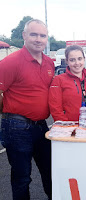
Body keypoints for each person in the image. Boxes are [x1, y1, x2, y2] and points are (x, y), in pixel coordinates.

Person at [0, 19, 53, 200]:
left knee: (50, 171)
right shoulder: (10, 62)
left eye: (42, 35)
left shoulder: (49, 63)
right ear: (24, 36)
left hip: (41, 127)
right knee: (22, 178)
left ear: (47, 39)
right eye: (34, 34)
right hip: (16, 127)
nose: (38, 39)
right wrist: (5, 115)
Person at [49, 45, 86, 123]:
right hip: (67, 130)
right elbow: (55, 109)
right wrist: (68, 127)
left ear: (84, 59)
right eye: (72, 60)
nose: (77, 63)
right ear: (67, 61)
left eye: (80, 59)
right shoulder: (58, 80)